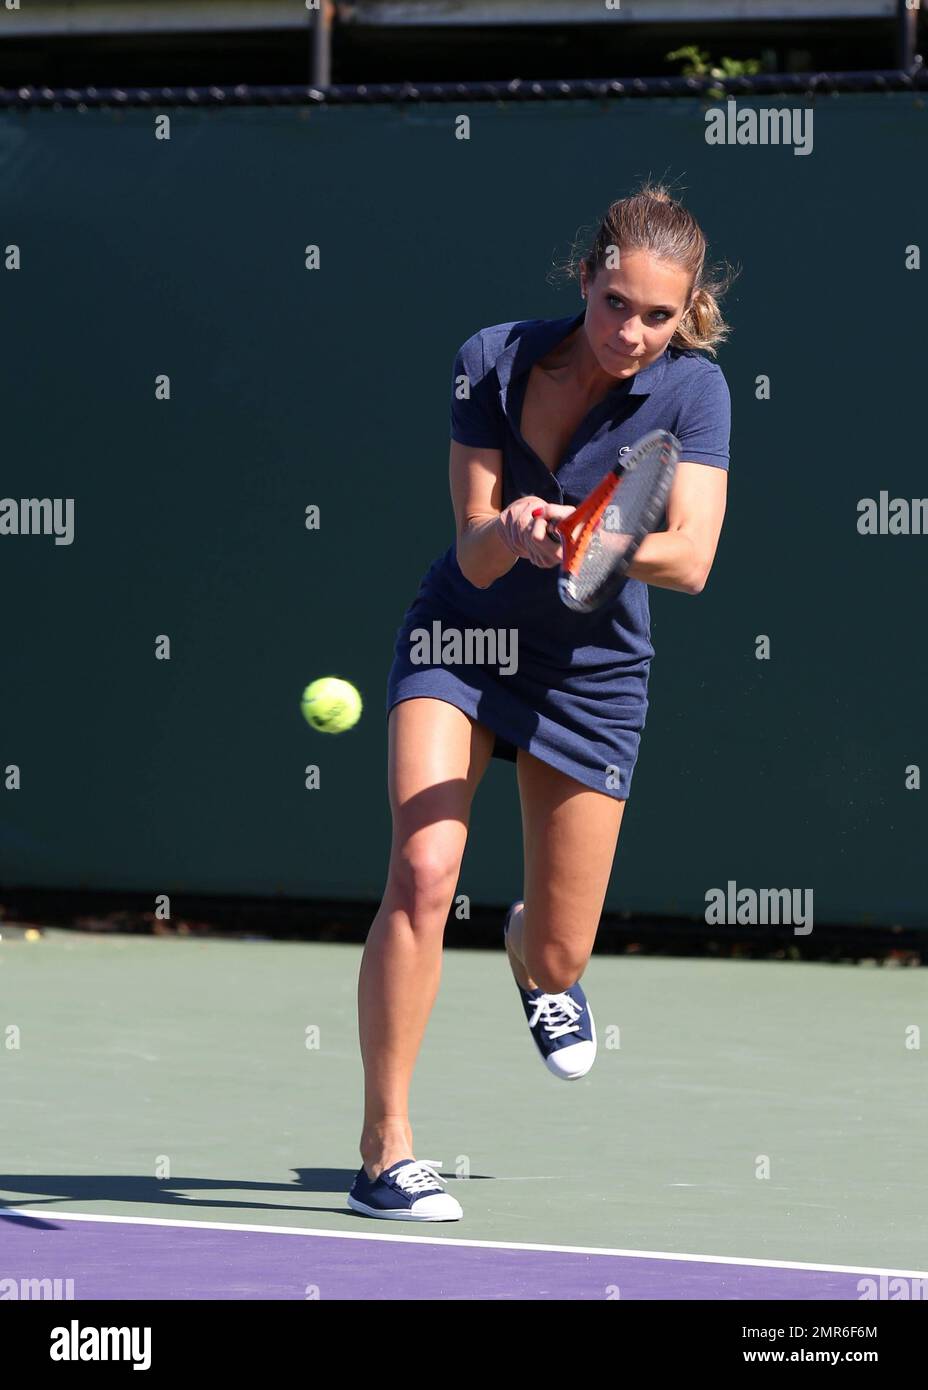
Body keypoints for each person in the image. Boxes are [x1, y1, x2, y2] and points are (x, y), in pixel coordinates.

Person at [347, 181, 733, 1221]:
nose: (633, 332)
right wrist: (516, 530)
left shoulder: (695, 394)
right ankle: (386, 1148)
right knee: (424, 868)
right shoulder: (493, 358)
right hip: (461, 639)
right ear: (585, 280)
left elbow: (691, 560)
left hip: (590, 674)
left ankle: (534, 961)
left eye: (659, 315)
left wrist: (592, 541)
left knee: (563, 949)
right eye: (616, 303)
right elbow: (472, 553)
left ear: (686, 310)